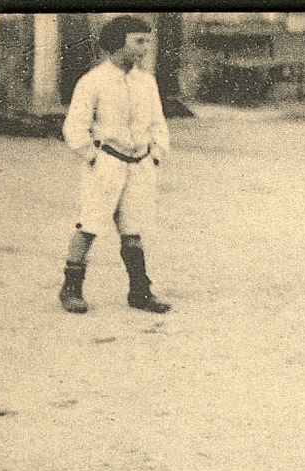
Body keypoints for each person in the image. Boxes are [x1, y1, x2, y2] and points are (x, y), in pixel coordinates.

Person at [58, 15, 172, 315]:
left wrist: (156, 152)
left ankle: (139, 291)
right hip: (106, 163)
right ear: (117, 44)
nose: (145, 48)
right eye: (138, 41)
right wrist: (93, 156)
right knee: (90, 224)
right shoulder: (93, 81)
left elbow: (158, 123)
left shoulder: (146, 81)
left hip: (140, 164)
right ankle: (71, 288)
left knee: (133, 228)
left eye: (147, 41)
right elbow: (74, 127)